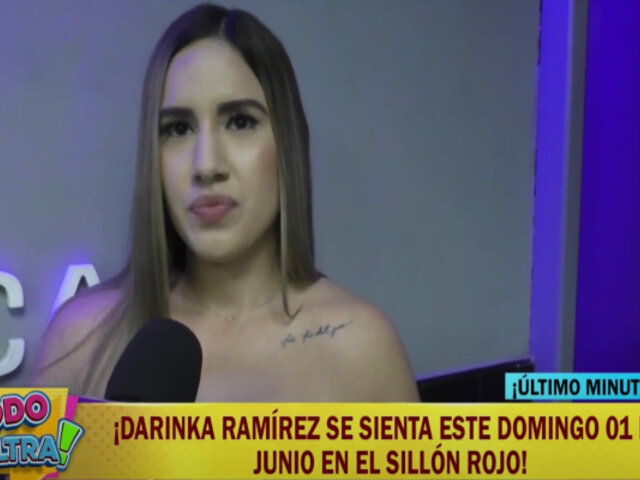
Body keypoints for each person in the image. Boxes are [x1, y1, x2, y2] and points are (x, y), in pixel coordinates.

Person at [32, 3, 419, 402]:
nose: (207, 165)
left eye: (240, 122)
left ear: (287, 143)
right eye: (178, 129)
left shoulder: (363, 349)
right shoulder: (78, 341)